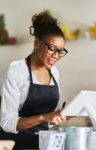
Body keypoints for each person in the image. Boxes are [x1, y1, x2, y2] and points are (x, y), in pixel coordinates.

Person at [0, 11, 68, 149]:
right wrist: (44, 117)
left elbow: (46, 120)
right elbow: (7, 123)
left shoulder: (54, 72)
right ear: (37, 44)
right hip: (16, 144)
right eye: (52, 48)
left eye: (60, 51)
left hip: (42, 144)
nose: (56, 56)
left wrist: (59, 116)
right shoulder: (17, 70)